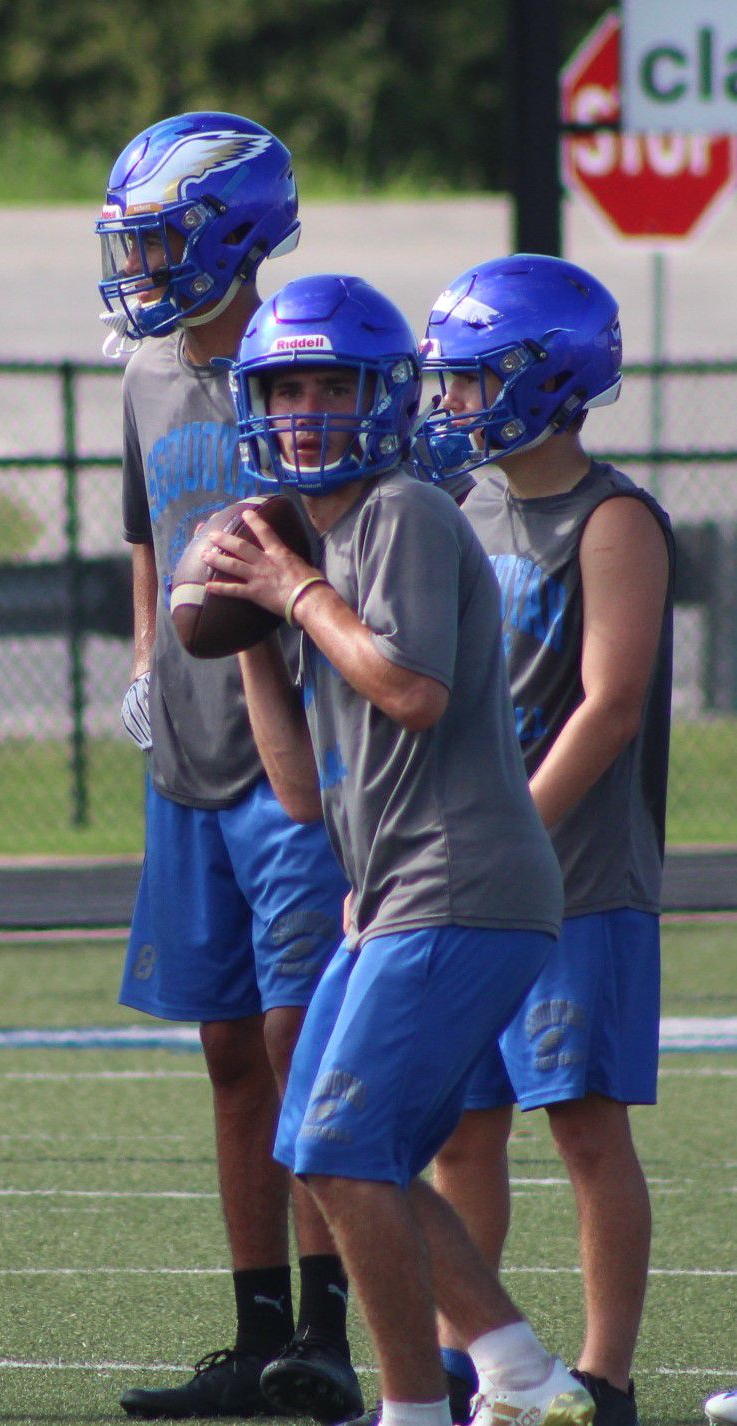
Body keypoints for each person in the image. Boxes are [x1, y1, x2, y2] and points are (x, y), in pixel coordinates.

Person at [200, 270, 596, 1426]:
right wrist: (249, 625)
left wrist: (298, 588)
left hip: (463, 881)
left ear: (383, 396)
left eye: (333, 385)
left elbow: (413, 690)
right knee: (325, 1148)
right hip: (395, 895)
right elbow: (297, 794)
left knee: (343, 1144)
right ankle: (523, 1378)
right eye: (284, 388)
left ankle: (417, 1409)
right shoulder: (321, 547)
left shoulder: (403, 511)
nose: (307, 411)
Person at [96, 112, 363, 1423]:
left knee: (296, 1032)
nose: (140, 265)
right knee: (222, 1045)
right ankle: (257, 1337)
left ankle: (328, 1332)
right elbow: (148, 529)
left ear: (229, 238)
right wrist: (146, 652)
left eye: (157, 239)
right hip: (189, 757)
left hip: (296, 759)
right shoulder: (143, 374)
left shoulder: (305, 365)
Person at [418, 253, 675, 1426]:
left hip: (572, 876)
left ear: (543, 376)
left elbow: (609, 701)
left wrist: (509, 832)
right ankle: (470, 1366)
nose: (453, 401)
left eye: (472, 379)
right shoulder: (462, 508)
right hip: (463, 875)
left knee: (579, 1124)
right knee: (458, 1131)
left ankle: (605, 1377)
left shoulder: (610, 517)